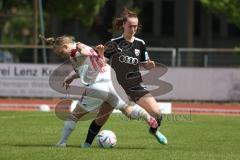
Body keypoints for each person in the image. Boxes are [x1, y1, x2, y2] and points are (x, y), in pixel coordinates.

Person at [39, 35, 167, 148]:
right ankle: (147, 117)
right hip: (111, 81)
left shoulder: (75, 49)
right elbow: (90, 64)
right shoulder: (80, 48)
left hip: (97, 86)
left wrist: (86, 51)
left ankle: (61, 143)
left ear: (66, 46)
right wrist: (72, 77)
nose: (62, 55)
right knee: (128, 109)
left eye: (61, 52)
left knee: (74, 116)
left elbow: (83, 53)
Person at [102, 8, 167, 141]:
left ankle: (154, 130)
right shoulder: (114, 43)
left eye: (135, 26)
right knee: (100, 119)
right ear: (124, 25)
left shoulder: (140, 43)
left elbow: (145, 63)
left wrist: (149, 65)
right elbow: (103, 62)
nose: (133, 29)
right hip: (116, 87)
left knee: (157, 113)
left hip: (135, 85)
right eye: (130, 26)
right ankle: (87, 143)